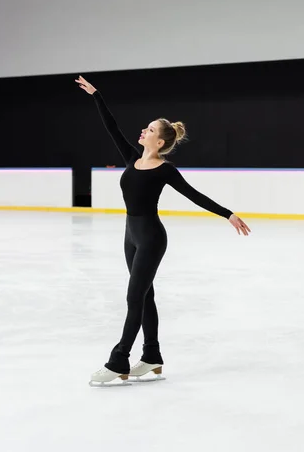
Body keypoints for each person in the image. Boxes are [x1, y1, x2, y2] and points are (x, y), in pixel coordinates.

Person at [75, 75, 251, 386]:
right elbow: (111, 126)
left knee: (134, 298)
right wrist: (96, 95)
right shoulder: (132, 159)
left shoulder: (165, 170)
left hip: (152, 238)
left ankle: (119, 360)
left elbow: (194, 195)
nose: (144, 130)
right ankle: (152, 357)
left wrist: (228, 214)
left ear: (159, 142)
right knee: (145, 297)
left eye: (151, 129)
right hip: (131, 235)